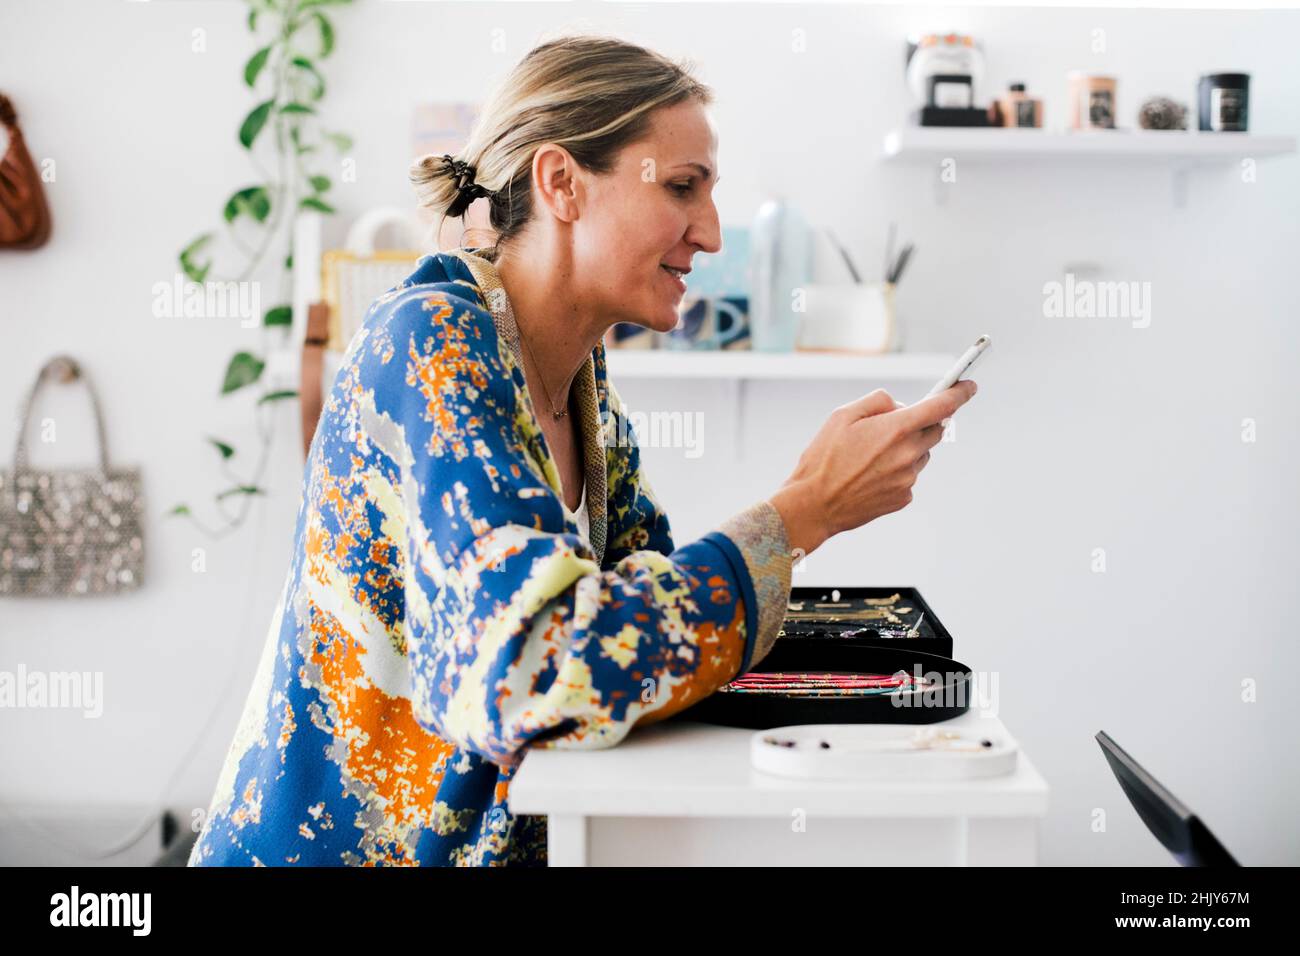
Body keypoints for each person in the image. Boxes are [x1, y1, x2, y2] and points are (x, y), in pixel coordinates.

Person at [188, 34, 976, 867]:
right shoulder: (431, 344)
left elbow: (643, 628)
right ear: (561, 183)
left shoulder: (581, 384)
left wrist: (807, 512)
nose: (709, 233)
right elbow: (531, 670)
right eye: (681, 188)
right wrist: (804, 510)